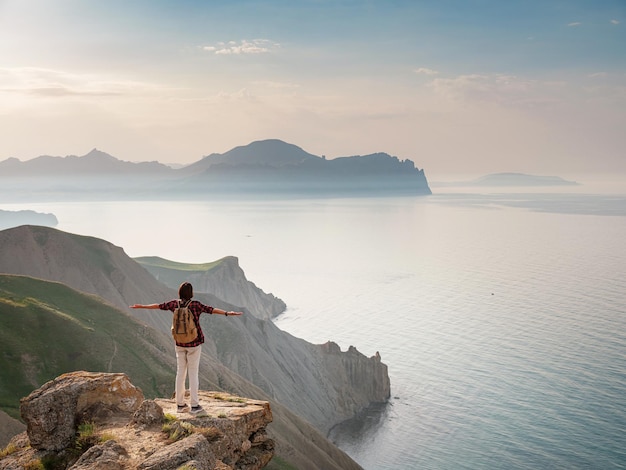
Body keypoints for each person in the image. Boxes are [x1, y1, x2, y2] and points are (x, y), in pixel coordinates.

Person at [130, 281, 242, 415]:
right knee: (193, 373)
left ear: (180, 292)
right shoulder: (195, 305)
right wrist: (228, 313)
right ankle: (194, 406)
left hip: (179, 343)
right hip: (194, 343)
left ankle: (180, 404)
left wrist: (142, 306)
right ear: (191, 293)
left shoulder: (174, 304)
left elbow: (159, 306)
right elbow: (211, 310)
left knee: (180, 373)